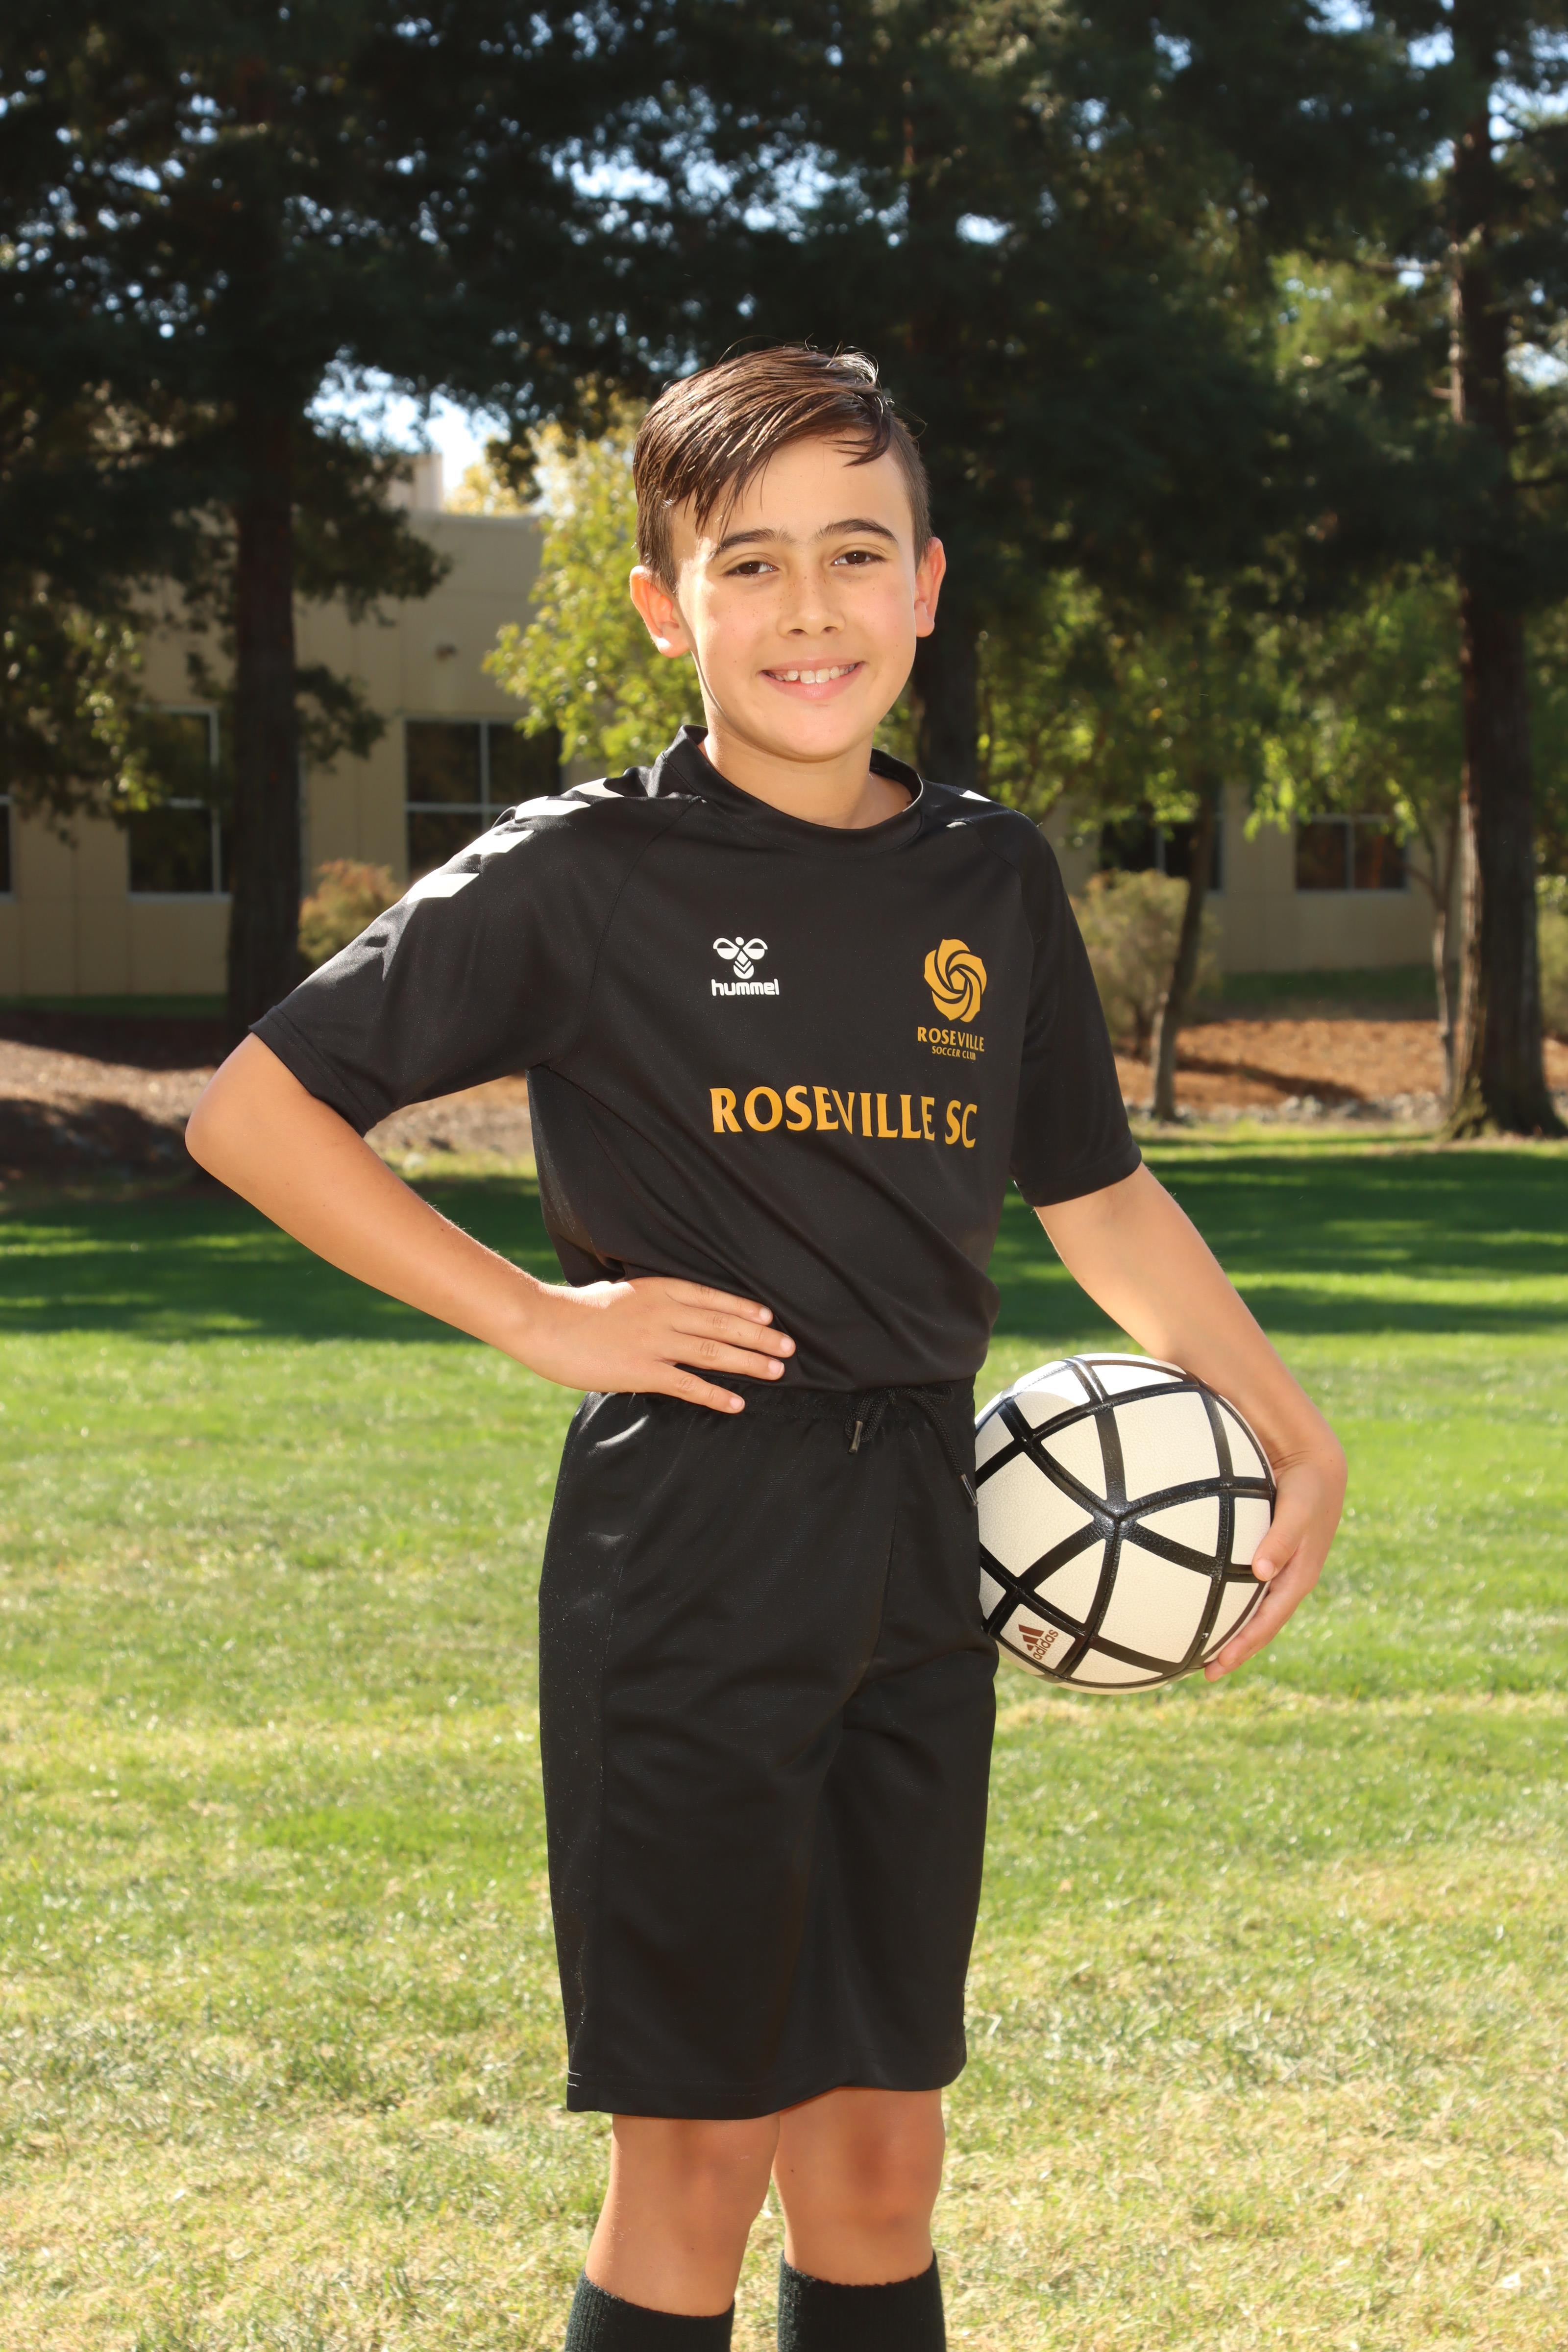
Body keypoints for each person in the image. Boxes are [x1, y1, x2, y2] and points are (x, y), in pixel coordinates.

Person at [186, 345, 1345, 2351]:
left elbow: (1090, 1190)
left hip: (923, 1523)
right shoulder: (587, 871)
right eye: (749, 563)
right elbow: (254, 1113)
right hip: (692, 1539)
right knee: (697, 2164)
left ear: (927, 586)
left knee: (881, 2155)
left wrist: (1286, 1425)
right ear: (667, 607)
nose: (809, 608)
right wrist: (538, 1315)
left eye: (854, 553)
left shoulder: (990, 873)